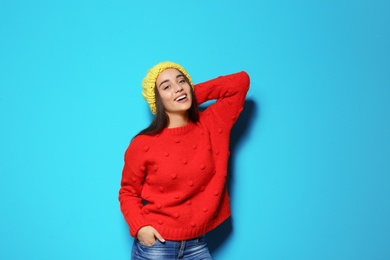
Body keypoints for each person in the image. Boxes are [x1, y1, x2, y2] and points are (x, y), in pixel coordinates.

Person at [119, 61, 250, 259]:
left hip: (197, 244)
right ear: (157, 100)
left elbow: (240, 82)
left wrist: (185, 94)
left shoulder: (213, 123)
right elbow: (128, 192)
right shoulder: (143, 144)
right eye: (166, 86)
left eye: (182, 81)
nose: (177, 87)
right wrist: (140, 227)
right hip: (156, 245)